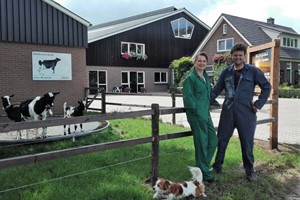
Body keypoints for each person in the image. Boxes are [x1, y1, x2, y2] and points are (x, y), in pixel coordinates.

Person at [210, 43, 271, 181]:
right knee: (221, 140)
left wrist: (258, 104)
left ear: (244, 56)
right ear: (231, 56)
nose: (237, 57)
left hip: (247, 113)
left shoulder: (253, 71)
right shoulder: (226, 72)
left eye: (240, 55)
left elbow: (266, 87)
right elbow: (216, 90)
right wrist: (206, 102)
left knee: (247, 142)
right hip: (228, 112)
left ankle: (250, 171)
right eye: (235, 55)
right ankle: (217, 166)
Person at [183, 52, 218, 183]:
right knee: (201, 144)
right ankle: (203, 173)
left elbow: (207, 93)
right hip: (197, 116)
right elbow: (188, 99)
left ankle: (201, 168)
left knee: (213, 141)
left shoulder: (206, 77)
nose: (202, 63)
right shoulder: (190, 78)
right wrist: (198, 113)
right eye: (199, 61)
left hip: (206, 115)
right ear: (195, 62)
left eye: (204, 61)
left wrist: (212, 102)